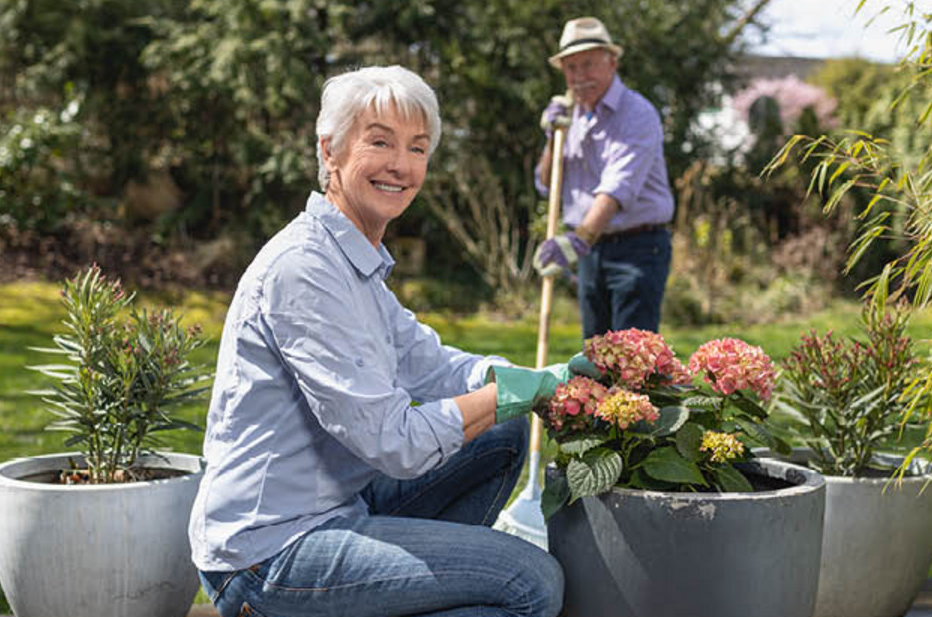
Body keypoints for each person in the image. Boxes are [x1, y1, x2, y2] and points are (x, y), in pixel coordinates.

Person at [188, 65, 566, 617]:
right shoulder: (304, 271)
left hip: (338, 505)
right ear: (331, 150)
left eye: (417, 148)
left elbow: (432, 363)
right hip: (267, 552)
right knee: (533, 583)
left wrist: (521, 379)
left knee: (501, 434)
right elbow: (395, 441)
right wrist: (513, 393)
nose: (401, 165)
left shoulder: (354, 264)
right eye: (380, 141)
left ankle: (402, 596)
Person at [532, 16, 675, 340]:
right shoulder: (570, 117)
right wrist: (553, 137)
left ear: (612, 62)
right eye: (571, 68)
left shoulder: (637, 114)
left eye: (588, 65)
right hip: (592, 254)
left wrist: (577, 239)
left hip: (637, 249)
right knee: (594, 360)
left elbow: (615, 188)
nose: (579, 77)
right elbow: (546, 183)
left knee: (632, 362)